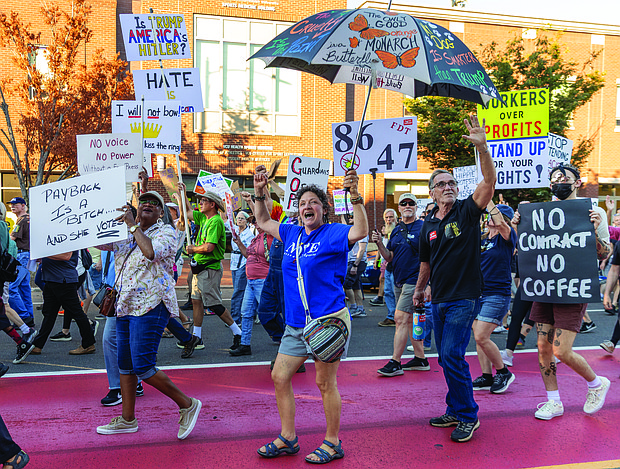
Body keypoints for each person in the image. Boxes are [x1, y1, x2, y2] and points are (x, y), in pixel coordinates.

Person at [254, 170, 367, 463]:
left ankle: (332, 442)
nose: (308, 206)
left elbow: (360, 231)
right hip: (295, 325)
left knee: (325, 383)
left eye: (314, 202)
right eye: (303, 202)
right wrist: (259, 193)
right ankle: (288, 437)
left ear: (323, 209)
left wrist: (355, 196)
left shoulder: (332, 233)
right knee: (279, 376)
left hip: (327, 322)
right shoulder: (291, 232)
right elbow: (264, 221)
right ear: (298, 209)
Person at [413, 115, 495, 443]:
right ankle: (454, 406)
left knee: (450, 354)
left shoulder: (467, 211)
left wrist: (483, 147)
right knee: (446, 357)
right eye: (441, 185)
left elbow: (488, 183)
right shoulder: (427, 225)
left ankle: (467, 415)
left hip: (464, 297)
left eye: (451, 184)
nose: (448, 188)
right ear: (432, 193)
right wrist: (419, 291)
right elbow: (425, 262)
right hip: (439, 299)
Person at [96, 191, 201, 439]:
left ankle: (188, 404)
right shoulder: (124, 231)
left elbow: (150, 252)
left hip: (152, 306)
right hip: (124, 305)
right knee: (125, 365)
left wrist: (132, 226)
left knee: (143, 365)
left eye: (155, 204)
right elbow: (98, 241)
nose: (148, 205)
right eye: (144, 202)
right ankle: (127, 419)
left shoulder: (166, 232)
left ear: (161, 213)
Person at [513, 163, 611, 420]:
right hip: (545, 287)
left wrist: (593, 231)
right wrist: (517, 226)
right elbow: (528, 247)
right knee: (543, 346)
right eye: (555, 178)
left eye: (565, 178)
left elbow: (605, 252)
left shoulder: (592, 211)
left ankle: (596, 384)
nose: (560, 182)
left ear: (577, 182)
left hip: (573, 287)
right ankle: (553, 401)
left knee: (560, 350)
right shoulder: (540, 213)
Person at [177, 185, 243, 351]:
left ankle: (238, 333)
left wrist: (193, 249)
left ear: (212, 204)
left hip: (209, 268)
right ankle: (197, 337)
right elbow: (187, 212)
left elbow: (209, 247)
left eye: (204, 200)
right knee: (196, 302)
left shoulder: (215, 221)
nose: (200, 203)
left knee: (213, 304)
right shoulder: (203, 218)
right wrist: (183, 193)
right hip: (199, 269)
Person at [373, 193, 429, 377]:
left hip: (415, 280)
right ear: (399, 208)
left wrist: (428, 284)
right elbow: (389, 257)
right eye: (403, 203)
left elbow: (432, 258)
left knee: (400, 319)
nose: (407, 206)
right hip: (399, 279)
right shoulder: (396, 230)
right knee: (411, 319)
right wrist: (379, 243)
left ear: (416, 207)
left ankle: (395, 362)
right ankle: (420, 359)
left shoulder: (423, 227)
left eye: (411, 203)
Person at [471, 202, 516, 393]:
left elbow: (502, 225)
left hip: (497, 294)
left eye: (495, 215)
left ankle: (503, 372)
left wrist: (488, 199)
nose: (489, 217)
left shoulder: (506, 239)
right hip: (478, 294)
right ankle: (487, 376)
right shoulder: (481, 240)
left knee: (481, 335)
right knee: (480, 337)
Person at [31, 250, 97, 356]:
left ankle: (88, 344)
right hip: (53, 279)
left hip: (63, 280)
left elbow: (66, 256)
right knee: (49, 314)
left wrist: (44, 254)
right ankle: (37, 345)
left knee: (76, 312)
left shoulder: (66, 237)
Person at [230, 198, 273, 356]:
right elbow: (248, 254)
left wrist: (251, 201)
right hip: (251, 280)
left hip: (262, 280)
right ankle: (245, 344)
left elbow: (263, 215)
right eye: (253, 221)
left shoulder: (270, 235)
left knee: (269, 314)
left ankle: (287, 342)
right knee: (246, 313)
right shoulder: (256, 238)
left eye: (256, 220)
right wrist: (239, 243)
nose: (255, 223)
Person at [7, 197, 33, 329]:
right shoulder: (26, 219)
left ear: (23, 206)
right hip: (26, 255)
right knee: (24, 288)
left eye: (16, 204)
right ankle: (29, 317)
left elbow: (12, 238)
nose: (12, 206)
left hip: (22, 255)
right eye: (11, 204)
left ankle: (24, 317)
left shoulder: (22, 220)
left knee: (12, 288)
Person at [228, 211, 255, 325]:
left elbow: (249, 252)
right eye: (238, 218)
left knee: (238, 291)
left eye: (242, 218)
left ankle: (235, 318)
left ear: (247, 221)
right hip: (234, 263)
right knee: (239, 290)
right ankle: (251, 313)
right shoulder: (234, 230)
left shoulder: (249, 235)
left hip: (243, 263)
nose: (239, 220)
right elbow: (225, 219)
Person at [343, 215, 368, 318]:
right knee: (355, 286)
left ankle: (353, 308)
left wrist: (355, 265)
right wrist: (341, 214)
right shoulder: (351, 231)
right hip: (352, 261)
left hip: (357, 261)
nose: (350, 219)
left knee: (346, 284)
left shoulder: (361, 232)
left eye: (352, 217)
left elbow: (361, 249)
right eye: (348, 217)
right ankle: (360, 309)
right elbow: (344, 225)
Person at [376, 209, 397, 326]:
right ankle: (391, 316)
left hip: (396, 266)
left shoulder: (397, 230)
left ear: (396, 218)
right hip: (387, 265)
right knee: (388, 291)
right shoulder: (386, 232)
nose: (389, 220)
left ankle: (398, 316)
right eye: (387, 218)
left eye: (391, 217)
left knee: (396, 292)